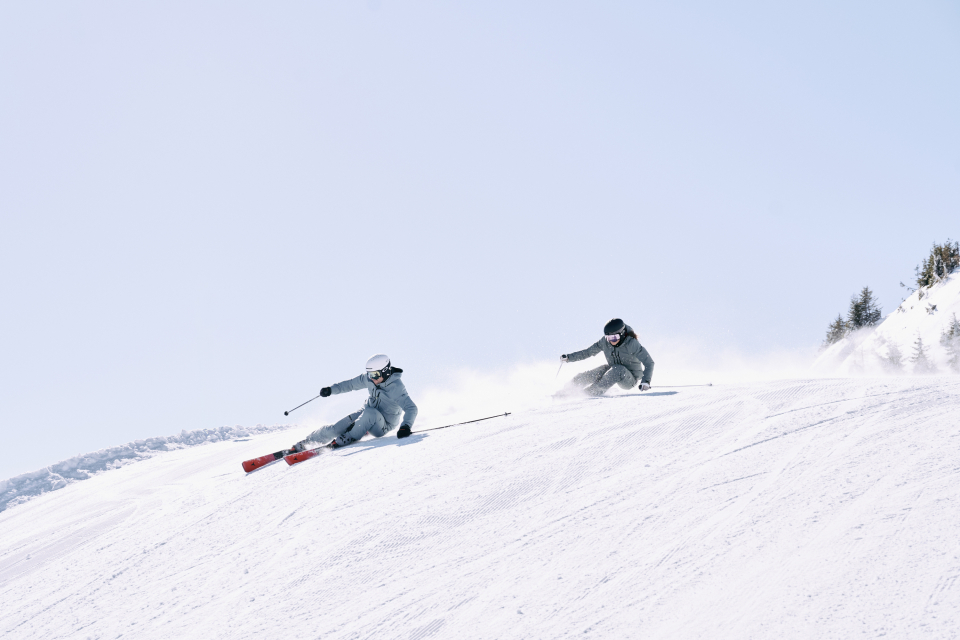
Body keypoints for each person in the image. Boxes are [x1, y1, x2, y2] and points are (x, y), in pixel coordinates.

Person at [292, 354, 418, 450]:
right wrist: (330, 390)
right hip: (366, 412)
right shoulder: (370, 379)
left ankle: (349, 436)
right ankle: (307, 442)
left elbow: (411, 408)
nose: (371, 377)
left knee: (370, 413)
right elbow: (350, 384)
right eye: (369, 374)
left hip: (383, 425)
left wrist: (405, 426)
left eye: (374, 374)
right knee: (335, 428)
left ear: (384, 371)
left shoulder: (396, 387)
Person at [560, 318, 654, 396]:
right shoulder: (605, 342)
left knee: (618, 369)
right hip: (614, 370)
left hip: (630, 379)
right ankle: (570, 389)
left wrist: (645, 381)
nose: (611, 341)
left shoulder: (631, 343)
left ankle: (591, 392)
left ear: (621, 334)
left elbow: (649, 363)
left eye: (614, 338)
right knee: (603, 368)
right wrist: (569, 357)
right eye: (608, 338)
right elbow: (588, 352)